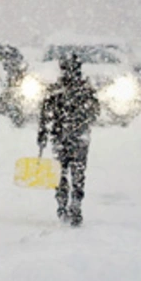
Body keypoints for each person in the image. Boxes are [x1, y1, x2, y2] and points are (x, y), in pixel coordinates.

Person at [37, 52, 100, 226]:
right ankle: (75, 205)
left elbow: (45, 115)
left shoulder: (56, 90)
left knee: (60, 173)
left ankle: (62, 205)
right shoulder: (85, 89)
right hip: (79, 137)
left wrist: (42, 134)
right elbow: (95, 112)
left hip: (60, 136)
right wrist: (81, 121)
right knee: (78, 173)